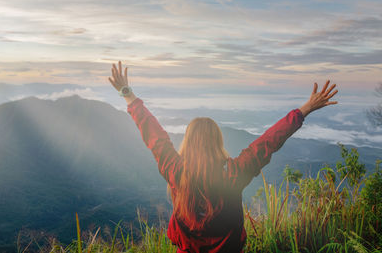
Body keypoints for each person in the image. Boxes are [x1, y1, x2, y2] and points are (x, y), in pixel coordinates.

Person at [108, 61, 338, 253]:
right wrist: (304, 110)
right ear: (217, 142)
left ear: (187, 142)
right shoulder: (235, 173)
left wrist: (128, 95)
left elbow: (154, 136)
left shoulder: (176, 170)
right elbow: (268, 142)